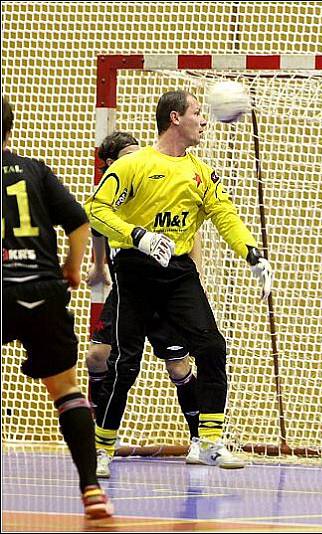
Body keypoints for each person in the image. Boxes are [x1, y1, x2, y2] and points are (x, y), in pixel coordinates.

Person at [84, 90, 273, 470]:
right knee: (126, 363)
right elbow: (94, 210)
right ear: (174, 118)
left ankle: (210, 441)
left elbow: (224, 215)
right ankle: (102, 449)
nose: (204, 120)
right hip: (136, 271)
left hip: (178, 273)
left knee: (212, 347)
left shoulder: (201, 172)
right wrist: (138, 235)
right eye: (197, 113)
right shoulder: (133, 165)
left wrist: (251, 252)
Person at [1, 96, 112, 518]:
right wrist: (70, 268)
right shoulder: (34, 169)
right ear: (10, 130)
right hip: (43, 291)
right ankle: (91, 491)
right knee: (66, 391)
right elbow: (80, 221)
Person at [85, 131, 205, 477]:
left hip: (167, 286)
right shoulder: (111, 196)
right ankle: (101, 440)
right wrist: (97, 266)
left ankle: (199, 438)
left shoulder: (156, 182)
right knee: (101, 358)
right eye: (128, 155)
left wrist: (192, 279)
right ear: (110, 164)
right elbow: (97, 227)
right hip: (129, 285)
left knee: (178, 366)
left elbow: (191, 230)